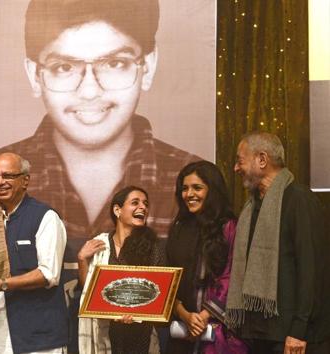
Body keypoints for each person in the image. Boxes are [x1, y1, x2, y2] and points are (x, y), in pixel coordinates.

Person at [0, 3, 198, 348]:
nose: (90, 90)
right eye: (64, 66)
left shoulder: (186, 180)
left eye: (115, 63)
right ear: (35, 74)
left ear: (148, 66)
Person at [226, 132, 330, 353]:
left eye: (240, 160)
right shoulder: (251, 207)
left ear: (262, 160)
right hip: (260, 335)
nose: (236, 168)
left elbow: (312, 270)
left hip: (293, 338)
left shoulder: (299, 199)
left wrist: (299, 330)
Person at [0, 152, 68, 353]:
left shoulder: (44, 217)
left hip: (37, 334)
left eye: (8, 176)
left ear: (25, 181)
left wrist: (2, 283)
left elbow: (48, 274)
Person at [165, 161, 248, 353]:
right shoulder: (178, 229)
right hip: (182, 330)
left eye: (197, 188)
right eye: (184, 189)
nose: (189, 194)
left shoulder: (229, 227)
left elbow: (234, 274)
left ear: (213, 191)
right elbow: (169, 277)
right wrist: (184, 314)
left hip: (218, 332)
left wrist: (204, 315)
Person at [77, 185, 165, 354]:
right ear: (117, 210)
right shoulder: (100, 244)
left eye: (145, 204)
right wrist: (82, 259)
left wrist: (134, 311)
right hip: (105, 331)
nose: (143, 207)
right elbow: (87, 293)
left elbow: (158, 292)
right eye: (135, 203)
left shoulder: (153, 247)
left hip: (140, 333)